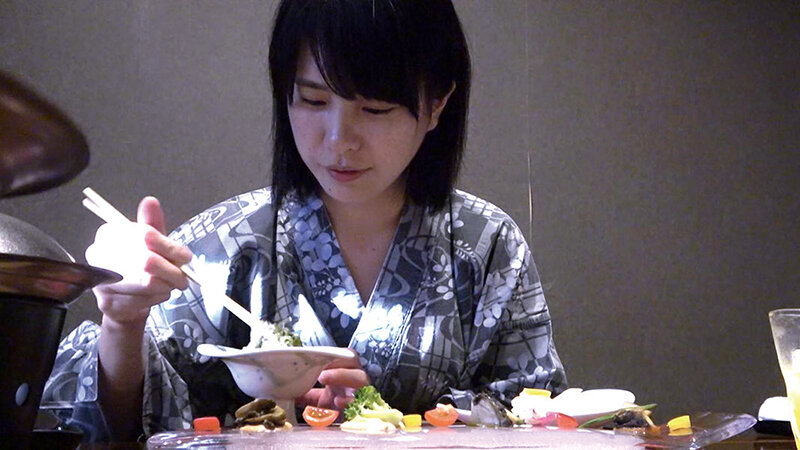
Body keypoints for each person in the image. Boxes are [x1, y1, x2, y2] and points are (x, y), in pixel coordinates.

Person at [43, 0, 567, 442]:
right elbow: (111, 429)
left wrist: (387, 420)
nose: (339, 140)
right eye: (313, 100)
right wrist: (123, 322)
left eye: (375, 109)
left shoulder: (487, 248)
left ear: (436, 104)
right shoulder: (221, 248)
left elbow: (541, 419)